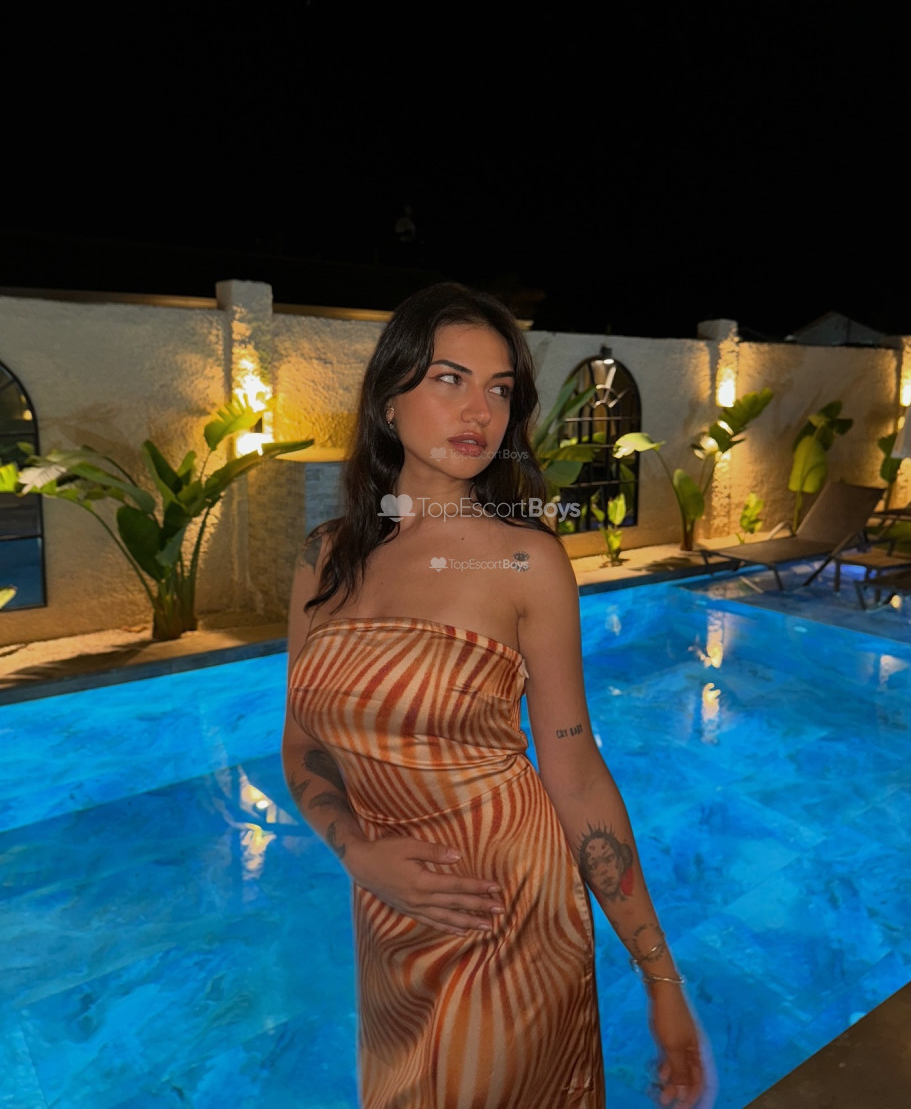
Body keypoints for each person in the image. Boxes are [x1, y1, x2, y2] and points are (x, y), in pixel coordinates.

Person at [283, 283, 708, 1108]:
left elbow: (575, 773)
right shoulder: (323, 559)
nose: (480, 410)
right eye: (450, 378)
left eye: (500, 389)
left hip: (506, 909)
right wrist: (359, 855)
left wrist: (659, 977)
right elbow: (302, 745)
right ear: (388, 398)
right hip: (387, 915)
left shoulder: (523, 561)